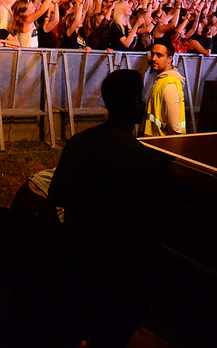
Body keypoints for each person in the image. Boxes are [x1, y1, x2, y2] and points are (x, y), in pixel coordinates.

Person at [48, 69, 165, 346]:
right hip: (119, 276)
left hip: (78, 265)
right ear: (136, 103)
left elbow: (56, 196)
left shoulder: (79, 144)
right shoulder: (146, 161)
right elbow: (153, 228)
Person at [143, 38, 187, 136]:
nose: (154, 58)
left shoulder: (170, 84)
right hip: (156, 142)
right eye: (153, 54)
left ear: (170, 59)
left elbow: (174, 125)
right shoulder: (161, 79)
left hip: (163, 144)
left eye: (159, 55)